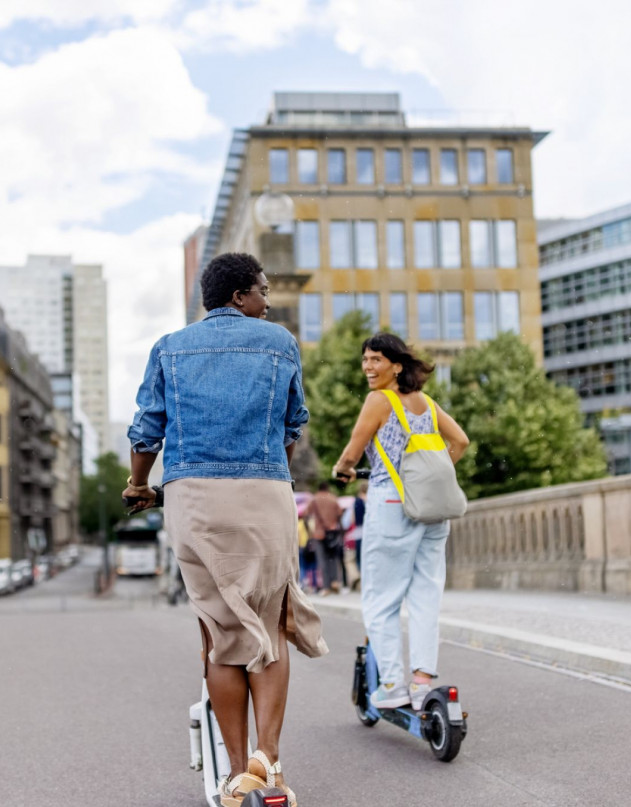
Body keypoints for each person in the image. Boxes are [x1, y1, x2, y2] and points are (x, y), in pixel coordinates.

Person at [124, 252, 327, 807]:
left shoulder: (169, 347)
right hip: (265, 494)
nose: (268, 300)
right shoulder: (279, 343)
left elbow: (146, 433)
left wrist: (141, 486)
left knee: (219, 633)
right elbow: (294, 426)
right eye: (262, 290)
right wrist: (266, 464)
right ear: (240, 296)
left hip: (194, 499)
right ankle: (271, 761)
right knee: (271, 619)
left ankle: (239, 776)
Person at [332, 333, 469, 711]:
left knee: (381, 599)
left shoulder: (380, 401)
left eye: (376, 359)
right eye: (365, 360)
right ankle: (422, 682)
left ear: (396, 365)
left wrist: (342, 470)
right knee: (426, 595)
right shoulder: (425, 402)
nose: (368, 367)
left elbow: (352, 452)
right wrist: (426, 480)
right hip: (431, 509)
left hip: (392, 505)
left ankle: (392, 683)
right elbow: (459, 442)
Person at [303, 482, 344, 595]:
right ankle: (335, 581)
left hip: (318, 534)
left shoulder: (314, 499)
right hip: (333, 533)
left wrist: (309, 532)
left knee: (322, 560)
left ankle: (326, 587)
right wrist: (340, 530)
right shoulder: (333, 498)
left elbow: (306, 516)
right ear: (328, 488)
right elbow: (340, 515)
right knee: (334, 558)